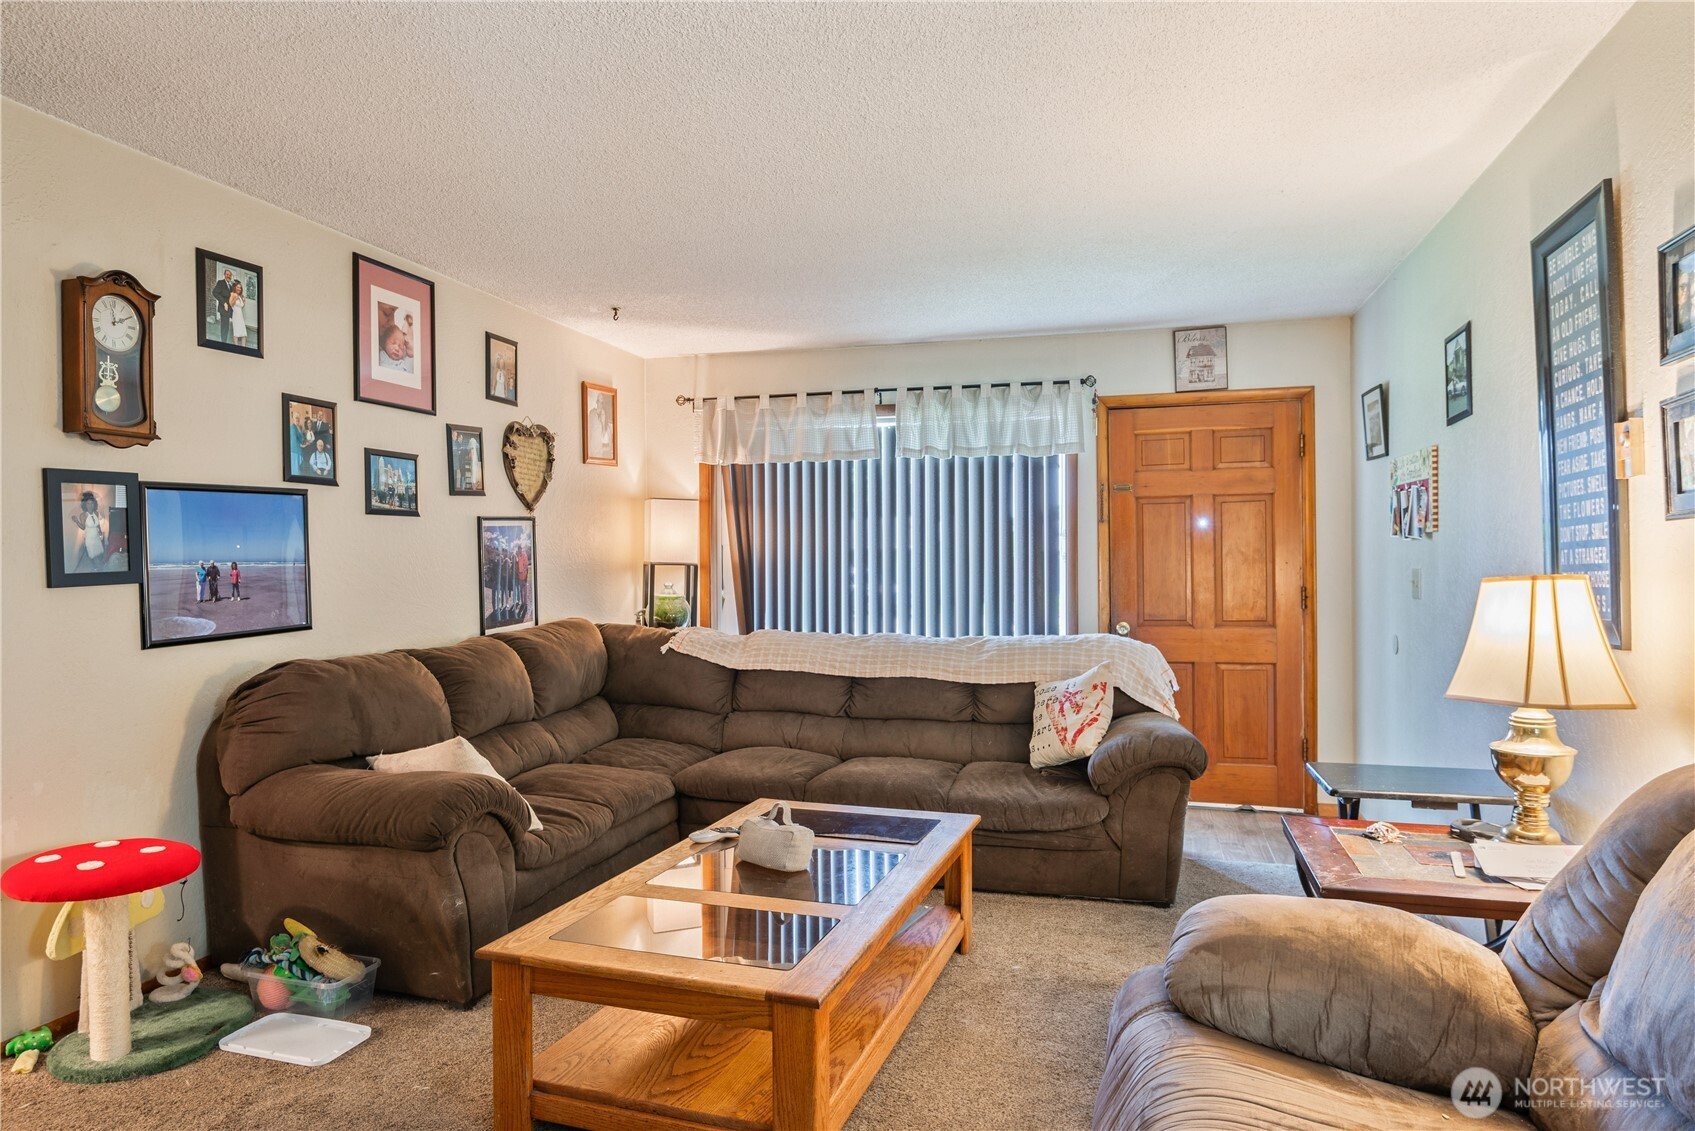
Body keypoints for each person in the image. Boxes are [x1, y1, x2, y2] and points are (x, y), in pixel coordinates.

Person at [69, 491, 108, 572]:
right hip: (89, 539)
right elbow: (83, 527)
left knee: (100, 553)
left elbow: (98, 525)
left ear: (94, 504)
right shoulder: (83, 515)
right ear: (85, 505)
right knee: (92, 555)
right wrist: (77, 521)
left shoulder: (96, 513)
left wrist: (100, 532)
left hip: (96, 537)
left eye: (92, 503)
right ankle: (95, 568)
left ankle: (100, 566)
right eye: (88, 504)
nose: (90, 506)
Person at [211, 268, 234, 343]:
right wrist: (224, 303)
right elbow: (215, 292)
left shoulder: (230, 287)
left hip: (229, 309)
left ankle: (225, 341)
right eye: (227, 274)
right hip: (223, 308)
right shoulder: (221, 283)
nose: (228, 276)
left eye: (230, 275)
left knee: (227, 326)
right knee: (224, 326)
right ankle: (223, 342)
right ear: (224, 275)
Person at [228, 281, 248, 348]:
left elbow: (241, 306)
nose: (239, 289)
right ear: (235, 287)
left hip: (240, 316)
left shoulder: (240, 296)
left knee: (244, 333)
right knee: (236, 332)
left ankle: (243, 347)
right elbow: (231, 304)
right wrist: (235, 299)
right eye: (238, 287)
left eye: (240, 287)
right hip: (236, 315)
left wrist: (244, 301)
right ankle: (236, 347)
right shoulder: (232, 294)